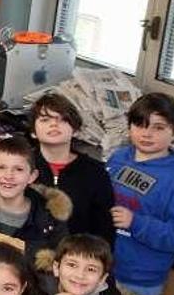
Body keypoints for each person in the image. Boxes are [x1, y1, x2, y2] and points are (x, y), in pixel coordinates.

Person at [107, 92, 174, 295]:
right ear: (129, 127)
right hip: (101, 266)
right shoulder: (118, 159)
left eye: (158, 127)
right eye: (140, 125)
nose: (147, 133)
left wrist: (136, 222)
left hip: (139, 280)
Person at [0, 137, 70, 262]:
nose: (9, 176)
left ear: (32, 176)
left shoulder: (50, 218)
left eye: (19, 169)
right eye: (1, 167)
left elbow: (59, 263)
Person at [31, 93, 115, 243]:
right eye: (45, 119)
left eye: (63, 120)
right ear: (33, 132)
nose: (54, 124)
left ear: (75, 130)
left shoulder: (95, 172)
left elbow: (104, 231)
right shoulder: (20, 165)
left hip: (76, 258)